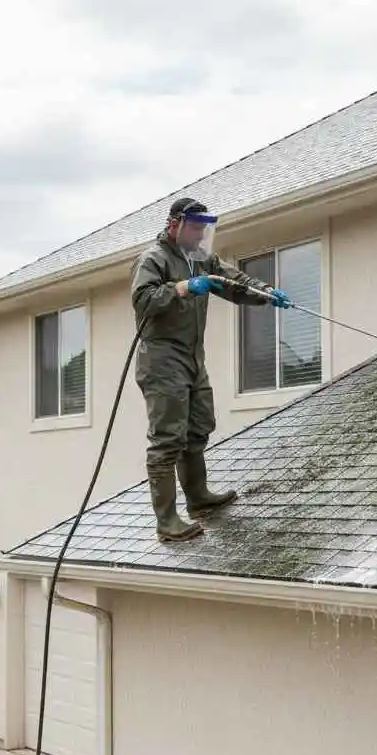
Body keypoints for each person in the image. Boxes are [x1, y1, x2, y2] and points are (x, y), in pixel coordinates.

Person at [131, 197, 291, 542]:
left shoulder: (200, 258)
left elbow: (231, 280)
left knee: (198, 426)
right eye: (195, 227)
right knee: (167, 439)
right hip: (161, 358)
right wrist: (182, 287)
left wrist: (265, 293)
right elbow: (143, 300)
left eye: (204, 228)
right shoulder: (154, 258)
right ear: (175, 225)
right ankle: (167, 522)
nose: (201, 234)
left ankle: (198, 498)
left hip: (191, 357)